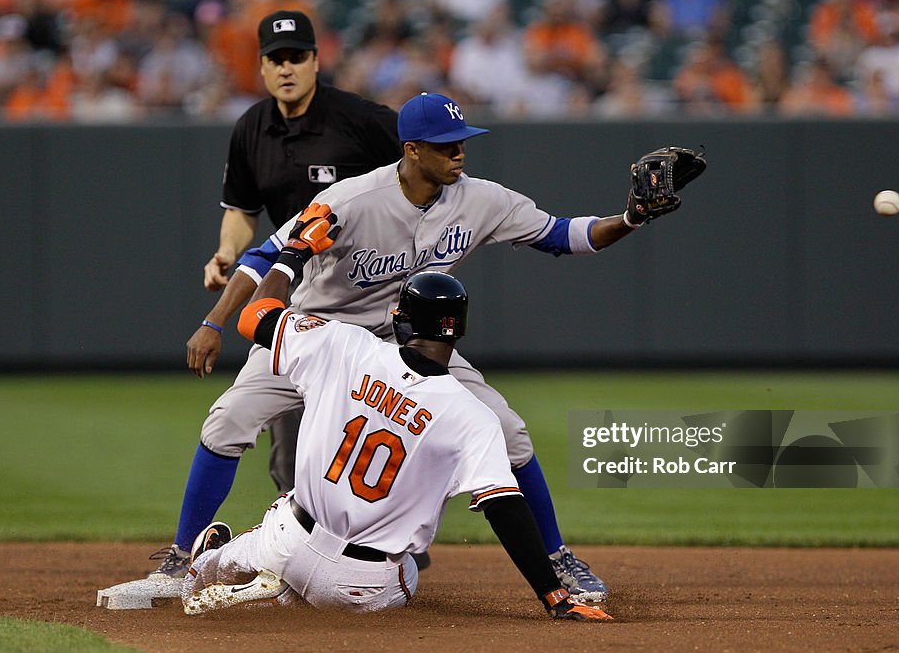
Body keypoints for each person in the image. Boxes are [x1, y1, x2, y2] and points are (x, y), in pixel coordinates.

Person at [167, 92, 703, 604]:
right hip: (323, 334)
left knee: (507, 429)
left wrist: (630, 219)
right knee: (228, 418)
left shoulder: (482, 198)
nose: (459, 152)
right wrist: (213, 323)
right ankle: (178, 558)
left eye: (463, 140)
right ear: (411, 151)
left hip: (408, 339)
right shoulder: (350, 199)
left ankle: (556, 555)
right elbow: (266, 256)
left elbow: (565, 235)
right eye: (447, 144)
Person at [180, 238, 611, 621]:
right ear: (457, 329)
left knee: (231, 553)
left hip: (291, 540)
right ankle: (286, 597)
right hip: (361, 584)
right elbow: (505, 508)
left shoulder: (343, 345)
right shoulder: (473, 416)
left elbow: (254, 317)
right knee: (407, 567)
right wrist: (554, 595)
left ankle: (216, 567)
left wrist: (292, 253)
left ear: (401, 320)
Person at [145, 9, 401, 578]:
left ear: (316, 60)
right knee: (281, 448)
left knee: (392, 429)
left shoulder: (363, 121)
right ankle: (207, 553)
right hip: (297, 296)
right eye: (275, 59)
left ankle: (388, 544)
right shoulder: (252, 127)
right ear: (260, 66)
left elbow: (419, 180)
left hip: (372, 295)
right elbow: (242, 211)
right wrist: (225, 254)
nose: (286, 67)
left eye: (297, 56)